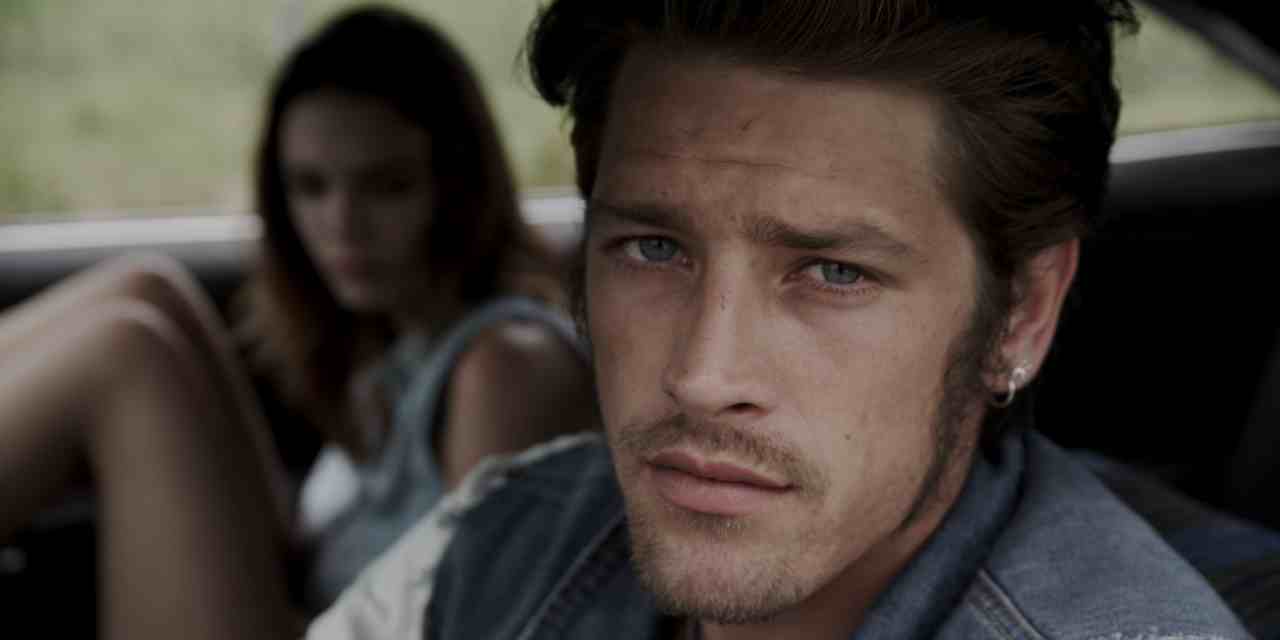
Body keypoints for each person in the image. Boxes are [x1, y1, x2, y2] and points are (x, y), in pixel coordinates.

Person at [307, 1, 1255, 639]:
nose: (703, 375)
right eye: (654, 249)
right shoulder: (502, 540)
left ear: (1020, 314)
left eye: (835, 272)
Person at [0, 5, 591, 639]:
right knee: (147, 286)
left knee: (126, 350)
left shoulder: (506, 367)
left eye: (386, 186)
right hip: (309, 607)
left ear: (458, 183)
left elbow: (480, 622)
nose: (342, 225)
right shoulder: (393, 345)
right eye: (310, 187)